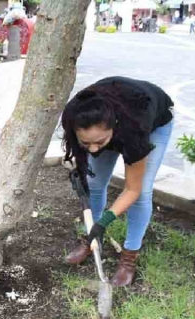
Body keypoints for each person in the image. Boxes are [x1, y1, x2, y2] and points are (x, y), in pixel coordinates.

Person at [61, 77, 174, 287]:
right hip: (110, 121)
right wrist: (80, 167)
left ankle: (129, 256)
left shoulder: (135, 128)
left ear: (113, 127)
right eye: (86, 143)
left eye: (100, 142)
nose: (94, 149)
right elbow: (82, 148)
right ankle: (92, 240)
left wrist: (104, 221)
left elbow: (132, 189)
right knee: (94, 185)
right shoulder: (74, 115)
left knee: (142, 193)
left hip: (154, 121)